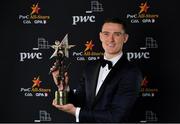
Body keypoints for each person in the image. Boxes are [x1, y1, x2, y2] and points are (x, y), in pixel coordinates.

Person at [51, 17, 142, 122]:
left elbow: (117, 117)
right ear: (100, 36)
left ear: (125, 38)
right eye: (106, 34)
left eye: (117, 34)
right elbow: (78, 102)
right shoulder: (90, 67)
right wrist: (64, 87)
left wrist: (76, 112)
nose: (111, 39)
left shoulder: (131, 73)